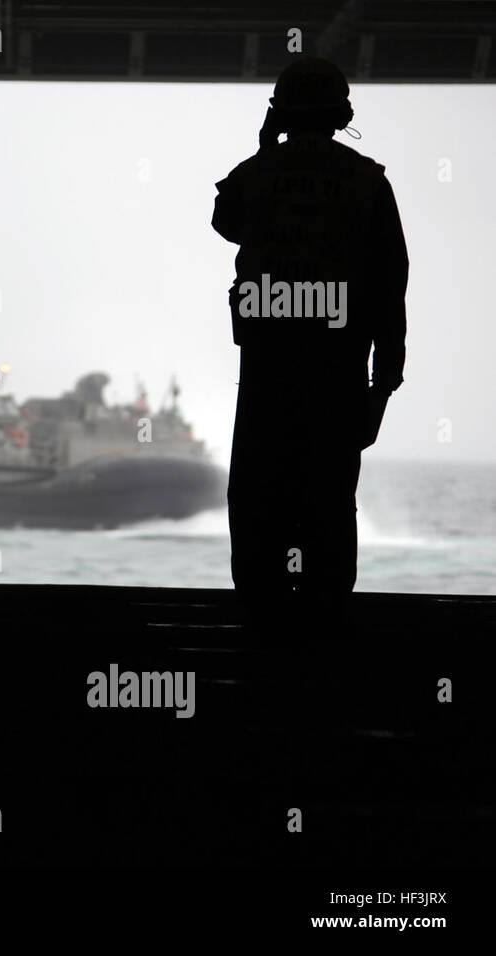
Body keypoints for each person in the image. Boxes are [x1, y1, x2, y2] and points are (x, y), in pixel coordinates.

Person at [211, 56, 408, 625]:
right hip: (339, 372)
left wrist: (266, 145)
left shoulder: (255, 175)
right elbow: (391, 287)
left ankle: (262, 634)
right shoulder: (369, 182)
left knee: (256, 503)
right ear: (342, 111)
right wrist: (383, 383)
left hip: (268, 372)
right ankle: (321, 635)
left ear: (280, 109)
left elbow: (226, 225)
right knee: (327, 504)